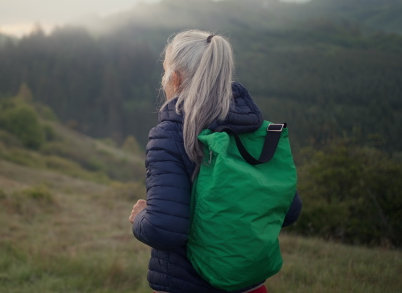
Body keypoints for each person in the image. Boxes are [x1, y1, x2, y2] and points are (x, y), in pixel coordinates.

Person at [129, 30, 302, 293]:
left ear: (175, 80)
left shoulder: (170, 135)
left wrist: (141, 216)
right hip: (252, 286)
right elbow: (290, 210)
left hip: (188, 285)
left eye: (164, 74)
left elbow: (165, 229)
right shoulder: (254, 130)